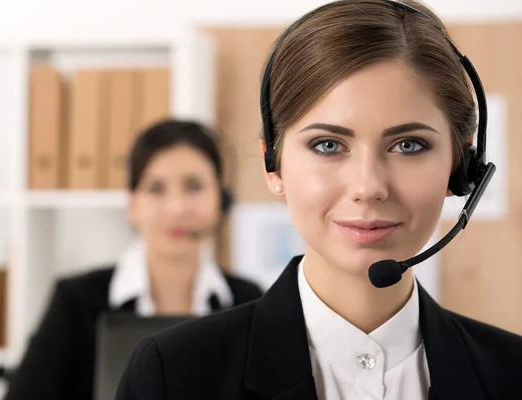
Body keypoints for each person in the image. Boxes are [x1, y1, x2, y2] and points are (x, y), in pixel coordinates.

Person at [115, 1, 522, 399]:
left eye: (409, 145)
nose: (367, 186)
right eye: (328, 145)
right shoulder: (173, 375)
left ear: (461, 165)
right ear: (272, 165)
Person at [3, 119, 263, 400]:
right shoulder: (77, 300)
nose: (176, 208)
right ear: (132, 204)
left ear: (221, 200)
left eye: (194, 186)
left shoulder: (248, 301)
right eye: (155, 188)